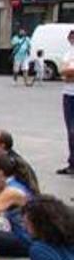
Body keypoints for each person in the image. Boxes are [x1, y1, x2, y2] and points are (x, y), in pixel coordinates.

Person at [58, 29, 74, 175]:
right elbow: (62, 71)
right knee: (70, 130)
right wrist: (68, 73)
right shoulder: (69, 53)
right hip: (69, 94)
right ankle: (72, 163)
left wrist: (69, 73)